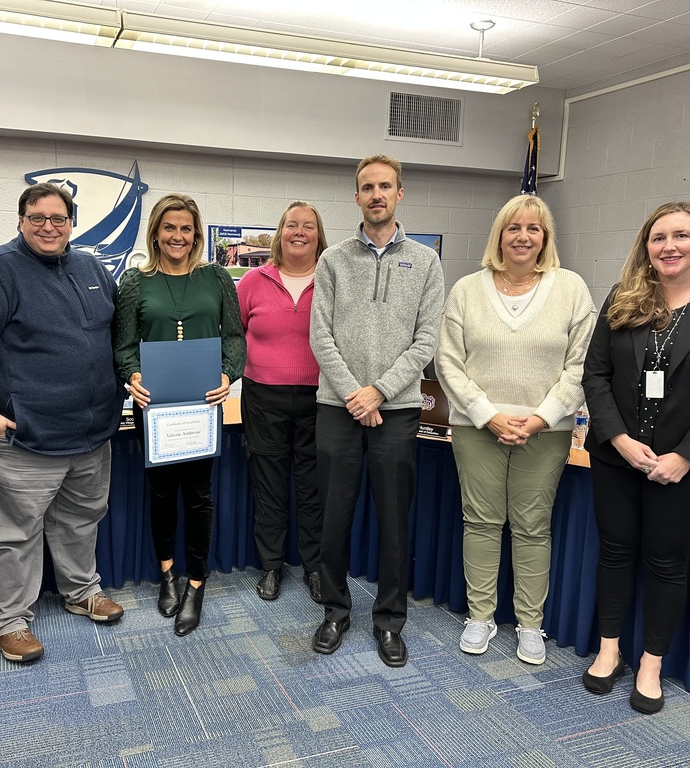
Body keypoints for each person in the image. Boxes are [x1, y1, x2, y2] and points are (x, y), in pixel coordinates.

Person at [581, 202, 690, 714]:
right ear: (647, 247)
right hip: (618, 457)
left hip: (686, 465)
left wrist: (685, 456)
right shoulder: (623, 299)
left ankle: (652, 662)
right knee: (614, 552)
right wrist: (616, 438)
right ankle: (610, 650)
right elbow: (594, 375)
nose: (669, 246)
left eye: (681, 235)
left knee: (665, 561)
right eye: (658, 238)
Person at [0, 183, 126, 664]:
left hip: (90, 435)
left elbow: (109, 339)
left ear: (72, 222)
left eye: (58, 218)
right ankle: (9, 621)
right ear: (21, 220)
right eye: (37, 217)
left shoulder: (92, 268)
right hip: (21, 438)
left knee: (81, 520)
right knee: (11, 533)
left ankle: (81, 591)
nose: (48, 226)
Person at [436, 194, 595, 666]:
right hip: (476, 427)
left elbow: (582, 365)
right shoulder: (466, 289)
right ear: (499, 235)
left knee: (531, 527)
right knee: (481, 523)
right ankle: (480, 616)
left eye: (534, 228)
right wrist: (488, 414)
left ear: (545, 238)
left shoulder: (571, 289)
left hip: (545, 432)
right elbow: (448, 362)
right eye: (513, 228)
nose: (523, 237)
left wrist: (543, 416)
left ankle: (530, 624)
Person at [309, 155, 443, 667]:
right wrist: (353, 394)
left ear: (400, 193)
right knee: (335, 518)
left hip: (399, 409)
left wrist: (379, 392)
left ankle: (389, 620)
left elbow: (426, 340)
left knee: (393, 521)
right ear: (357, 196)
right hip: (337, 407)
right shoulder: (334, 260)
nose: (376, 194)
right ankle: (335, 611)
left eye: (385, 186)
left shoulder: (426, 261)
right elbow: (320, 335)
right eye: (367, 187)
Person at [113, 193, 246, 636]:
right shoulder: (136, 281)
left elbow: (234, 337)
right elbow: (123, 344)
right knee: (162, 493)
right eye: (169, 227)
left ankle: (196, 582)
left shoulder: (217, 278)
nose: (178, 236)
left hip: (204, 405)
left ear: (197, 234)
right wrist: (131, 374)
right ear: (155, 232)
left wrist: (230, 374)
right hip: (154, 406)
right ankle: (167, 572)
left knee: (199, 495)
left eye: (186, 228)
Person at [237, 201, 329, 604]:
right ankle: (271, 566)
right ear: (280, 232)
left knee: (313, 489)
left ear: (318, 235)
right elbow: (234, 334)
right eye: (292, 224)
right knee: (269, 487)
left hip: (321, 398)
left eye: (308, 226)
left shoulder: (332, 279)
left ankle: (314, 568)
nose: (299, 232)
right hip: (263, 397)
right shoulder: (253, 281)